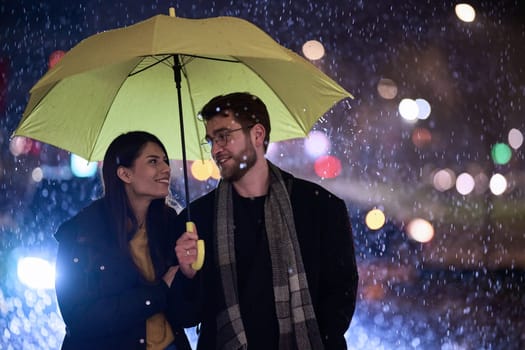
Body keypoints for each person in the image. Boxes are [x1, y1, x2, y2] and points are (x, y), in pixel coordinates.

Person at [172, 92, 359, 350]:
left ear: (257, 135)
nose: (216, 150)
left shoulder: (319, 208)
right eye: (211, 140)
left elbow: (340, 296)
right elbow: (186, 315)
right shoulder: (198, 218)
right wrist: (188, 275)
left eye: (224, 136)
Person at [54, 131, 191, 350]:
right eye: (153, 161)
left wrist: (190, 274)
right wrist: (158, 291)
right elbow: (80, 318)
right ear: (125, 174)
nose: (166, 168)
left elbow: (186, 313)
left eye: (165, 161)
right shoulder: (83, 233)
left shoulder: (169, 224)